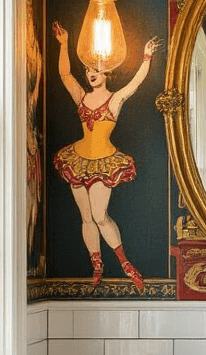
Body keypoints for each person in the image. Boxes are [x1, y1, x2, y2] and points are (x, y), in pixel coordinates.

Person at [52, 21, 160, 290]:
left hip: (104, 161)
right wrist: (65, 44)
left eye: (96, 69)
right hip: (78, 159)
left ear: (107, 73)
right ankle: (97, 266)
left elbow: (136, 82)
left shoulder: (114, 99)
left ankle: (125, 264)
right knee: (86, 218)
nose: (91, 73)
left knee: (100, 216)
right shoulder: (81, 96)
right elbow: (65, 75)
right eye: (88, 69)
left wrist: (146, 56)